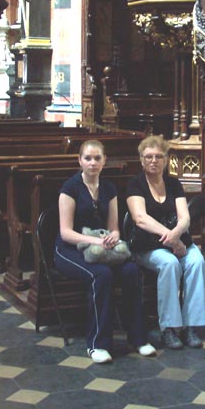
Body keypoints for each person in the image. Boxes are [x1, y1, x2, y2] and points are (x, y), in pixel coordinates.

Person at [55, 139, 156, 363]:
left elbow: (114, 228)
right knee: (101, 275)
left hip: (100, 248)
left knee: (130, 270)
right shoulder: (69, 188)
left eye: (97, 158)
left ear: (104, 161)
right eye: (88, 158)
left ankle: (138, 338)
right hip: (69, 250)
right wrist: (95, 241)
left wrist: (112, 238)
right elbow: (65, 232)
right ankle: (97, 344)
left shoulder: (109, 189)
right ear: (79, 161)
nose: (92, 163)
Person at [126, 135, 205, 350]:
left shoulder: (173, 183)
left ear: (165, 159)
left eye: (158, 156)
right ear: (142, 160)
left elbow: (185, 217)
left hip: (179, 241)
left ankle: (191, 326)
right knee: (170, 264)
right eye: (149, 157)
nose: (154, 160)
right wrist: (172, 240)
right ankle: (169, 328)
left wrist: (177, 236)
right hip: (148, 246)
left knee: (197, 262)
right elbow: (140, 218)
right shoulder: (135, 184)